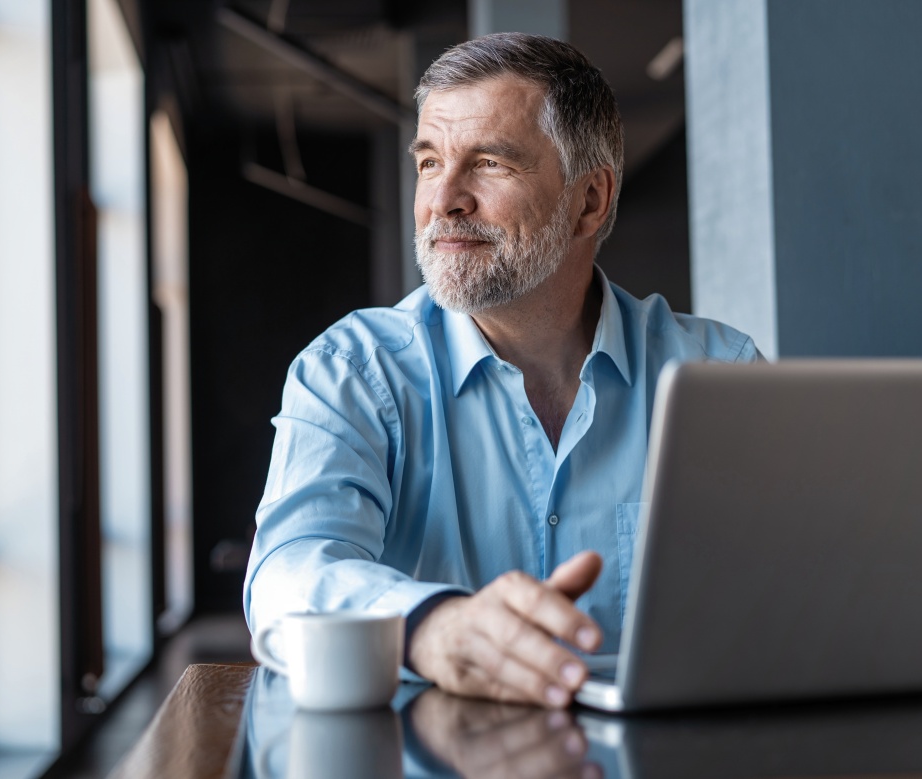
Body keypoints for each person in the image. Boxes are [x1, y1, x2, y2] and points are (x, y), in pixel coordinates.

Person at [243, 32, 760, 709]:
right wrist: (431, 624)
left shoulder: (718, 374)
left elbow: (792, 590)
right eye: (430, 162)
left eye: (488, 163)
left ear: (590, 201)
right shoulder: (353, 371)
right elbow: (287, 574)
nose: (444, 200)